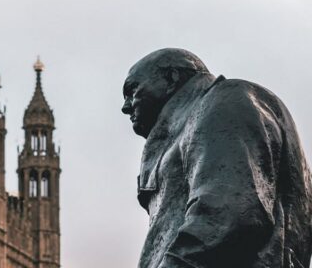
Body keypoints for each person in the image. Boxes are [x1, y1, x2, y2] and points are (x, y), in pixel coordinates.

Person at [121, 48, 312, 268]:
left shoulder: (222, 101)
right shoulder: (192, 121)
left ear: (171, 77)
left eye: (132, 90)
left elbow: (228, 215)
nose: (126, 107)